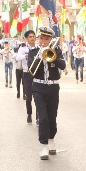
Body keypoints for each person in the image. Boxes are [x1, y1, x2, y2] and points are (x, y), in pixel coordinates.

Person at [26, 26, 66, 159]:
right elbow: (31, 70)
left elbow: (63, 65)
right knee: (42, 117)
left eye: (46, 39)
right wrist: (41, 56)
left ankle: (51, 140)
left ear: (50, 39)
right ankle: (43, 146)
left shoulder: (56, 50)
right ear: (38, 39)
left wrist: (51, 56)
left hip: (53, 88)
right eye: (41, 38)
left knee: (52, 116)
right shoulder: (33, 52)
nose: (43, 41)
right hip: (38, 87)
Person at [15, 30, 38, 124]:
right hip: (27, 74)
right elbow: (17, 58)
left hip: (37, 74)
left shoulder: (38, 47)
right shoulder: (23, 48)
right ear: (26, 39)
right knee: (28, 97)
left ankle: (38, 117)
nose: (32, 38)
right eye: (30, 37)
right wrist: (27, 55)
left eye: (33, 36)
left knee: (37, 97)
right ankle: (29, 114)